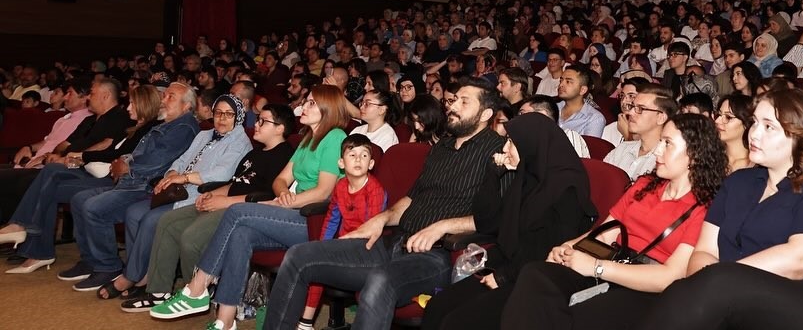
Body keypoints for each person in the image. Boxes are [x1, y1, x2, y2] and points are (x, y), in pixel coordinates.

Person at [261, 79, 505, 330]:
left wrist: (441, 227)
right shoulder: (441, 146)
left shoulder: (498, 153)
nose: (453, 107)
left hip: (438, 255)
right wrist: (382, 219)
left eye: (464, 102)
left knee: (380, 280)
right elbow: (411, 197)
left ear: (486, 114)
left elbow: (497, 217)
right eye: (454, 100)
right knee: (299, 255)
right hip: (394, 241)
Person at [636, 89, 803, 330]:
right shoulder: (738, 182)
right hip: (730, 297)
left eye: (768, 126)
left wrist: (719, 278)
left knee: (710, 285)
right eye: (754, 123)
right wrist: (710, 282)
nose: (754, 134)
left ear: (800, 135)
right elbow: (703, 252)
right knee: (627, 307)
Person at [150, 84, 350, 330]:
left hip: (313, 221)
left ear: (327, 109)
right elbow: (281, 179)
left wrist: (285, 201)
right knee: (241, 235)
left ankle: (197, 288)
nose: (302, 106)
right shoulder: (308, 138)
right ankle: (225, 320)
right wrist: (284, 194)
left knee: (235, 211)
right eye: (305, 101)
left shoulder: (335, 137)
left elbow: (324, 191)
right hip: (291, 211)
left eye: (310, 103)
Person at [501, 114, 726, 330]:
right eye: (660, 141)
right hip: (613, 261)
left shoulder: (705, 206)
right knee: (536, 276)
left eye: (667, 143)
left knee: (587, 314)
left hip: (646, 288)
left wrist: (597, 268)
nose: (657, 150)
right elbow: (605, 233)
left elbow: (670, 276)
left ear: (695, 155)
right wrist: (570, 247)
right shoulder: (646, 185)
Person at [422, 112, 598, 330]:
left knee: (457, 322)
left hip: (536, 278)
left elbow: (548, 250)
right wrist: (492, 176)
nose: (505, 149)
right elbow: (488, 223)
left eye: (512, 143)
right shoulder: (527, 178)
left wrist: (503, 277)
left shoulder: (566, 189)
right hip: (510, 262)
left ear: (531, 146)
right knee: (437, 306)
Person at [125, 105, 296, 312]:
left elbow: (267, 197)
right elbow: (235, 183)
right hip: (226, 202)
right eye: (257, 119)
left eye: (263, 121)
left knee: (190, 237)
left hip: (242, 210)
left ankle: (197, 292)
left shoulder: (285, 155)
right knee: (167, 222)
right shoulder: (255, 153)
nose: (256, 124)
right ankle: (159, 291)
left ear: (280, 128)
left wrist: (224, 202)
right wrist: (212, 195)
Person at [99, 93, 252, 299]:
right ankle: (144, 273)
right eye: (217, 113)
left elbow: (222, 174)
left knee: (152, 220)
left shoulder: (240, 142)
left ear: (238, 117)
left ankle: (131, 276)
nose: (221, 118)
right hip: (176, 191)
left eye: (228, 114)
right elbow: (181, 160)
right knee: (134, 213)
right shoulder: (204, 135)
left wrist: (184, 178)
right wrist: (171, 174)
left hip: (199, 194)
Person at [0, 82, 153, 272]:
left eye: (92, 93)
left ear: (105, 96)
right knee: (48, 178)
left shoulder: (123, 120)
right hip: (84, 167)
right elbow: (81, 145)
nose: (89, 97)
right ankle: (31, 244)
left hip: (99, 174)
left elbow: (109, 149)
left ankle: (32, 243)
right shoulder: (97, 122)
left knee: (48, 181)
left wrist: (77, 157)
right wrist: (66, 157)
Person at [62, 82, 201, 291]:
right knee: (79, 199)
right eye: (165, 96)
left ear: (186, 106)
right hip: (132, 181)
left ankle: (108, 266)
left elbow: (157, 162)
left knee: (93, 207)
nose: (163, 100)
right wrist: (125, 162)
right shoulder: (165, 125)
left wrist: (127, 167)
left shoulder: (183, 127)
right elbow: (136, 153)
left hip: (142, 186)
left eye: (170, 97)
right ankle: (91, 260)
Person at [297, 134, 389, 330]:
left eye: (364, 156)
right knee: (313, 261)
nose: (358, 159)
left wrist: (338, 247)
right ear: (341, 163)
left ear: (371, 164)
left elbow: (370, 229)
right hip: (344, 243)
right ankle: (305, 322)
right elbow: (331, 219)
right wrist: (321, 245)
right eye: (352, 154)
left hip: (366, 248)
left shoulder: (374, 190)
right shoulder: (340, 186)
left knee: (320, 264)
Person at [603, 85, 676, 180]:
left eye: (641, 109)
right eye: (633, 106)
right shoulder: (622, 149)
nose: (630, 113)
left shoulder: (666, 161)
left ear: (660, 118)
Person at [713, 94, 755, 174]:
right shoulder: (711, 158)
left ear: (746, 124)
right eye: (719, 115)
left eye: (728, 117)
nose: (717, 121)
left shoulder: (756, 166)